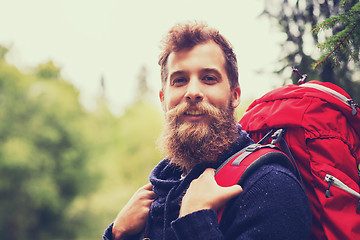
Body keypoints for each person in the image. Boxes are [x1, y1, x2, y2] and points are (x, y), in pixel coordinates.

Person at [103, 21, 312, 240]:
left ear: (235, 96)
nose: (193, 92)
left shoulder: (271, 186)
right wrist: (117, 235)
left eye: (209, 78)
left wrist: (195, 222)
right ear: (163, 100)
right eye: (180, 80)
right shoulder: (157, 195)